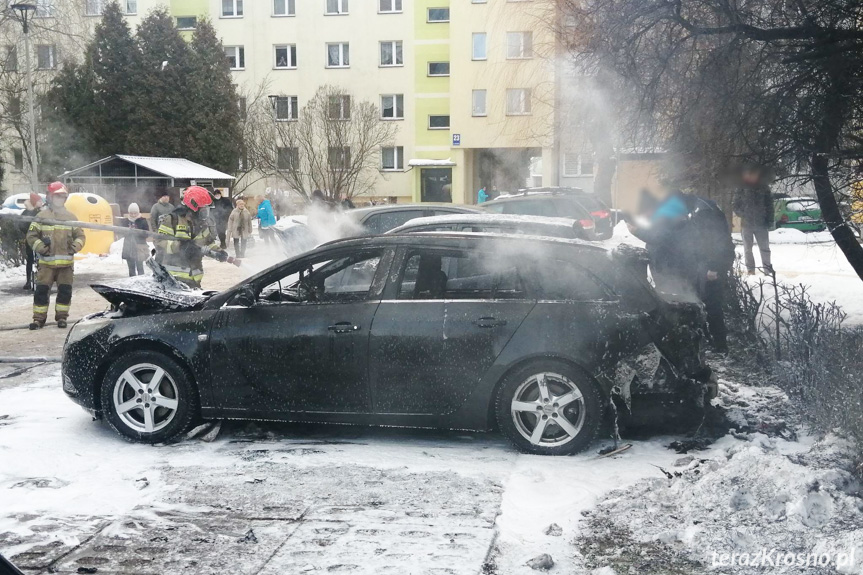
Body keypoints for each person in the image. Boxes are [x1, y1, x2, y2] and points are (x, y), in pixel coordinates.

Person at [26, 182, 84, 330]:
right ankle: (38, 319)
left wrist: (75, 247)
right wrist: (41, 248)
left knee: (65, 293)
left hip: (66, 266)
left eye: (62, 197)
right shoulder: (41, 216)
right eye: (57, 196)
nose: (60, 199)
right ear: (50, 197)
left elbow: (81, 236)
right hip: (46, 265)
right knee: (41, 292)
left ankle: (62, 318)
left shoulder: (71, 217)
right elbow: (31, 236)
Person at [155, 186, 227, 288]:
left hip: (194, 279)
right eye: (204, 209)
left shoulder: (203, 224)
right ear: (193, 206)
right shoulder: (172, 220)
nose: (206, 212)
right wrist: (180, 247)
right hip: (174, 279)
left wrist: (218, 252)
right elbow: (159, 242)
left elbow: (207, 243)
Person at [732, 166, 774, 275]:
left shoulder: (764, 187)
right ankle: (750, 270)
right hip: (747, 223)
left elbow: (769, 205)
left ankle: (767, 270)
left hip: (762, 223)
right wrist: (743, 214)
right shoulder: (741, 187)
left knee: (765, 248)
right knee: (747, 249)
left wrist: (769, 219)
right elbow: (735, 204)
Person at [19, 192, 43, 290]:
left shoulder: (40, 211)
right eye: (40, 201)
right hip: (34, 240)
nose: (42, 202)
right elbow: (22, 225)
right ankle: (30, 281)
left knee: (35, 260)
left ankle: (33, 280)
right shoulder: (30, 212)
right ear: (35, 202)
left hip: (34, 239)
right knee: (32, 259)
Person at [121, 203, 150, 277]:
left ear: (138, 212)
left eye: (135, 213)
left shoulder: (143, 221)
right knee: (131, 269)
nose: (133, 215)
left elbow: (146, 234)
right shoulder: (125, 221)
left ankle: (142, 282)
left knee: (140, 268)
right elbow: (121, 232)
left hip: (139, 248)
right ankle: (132, 282)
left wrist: (137, 233)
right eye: (131, 213)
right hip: (128, 247)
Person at [149, 191, 174, 263]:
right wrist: (155, 232)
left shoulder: (172, 207)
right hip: (159, 235)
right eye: (164, 196)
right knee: (160, 253)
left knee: (170, 253)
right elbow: (152, 220)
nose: (166, 198)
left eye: (167, 196)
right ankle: (157, 267)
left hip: (170, 235)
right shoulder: (156, 207)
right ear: (161, 197)